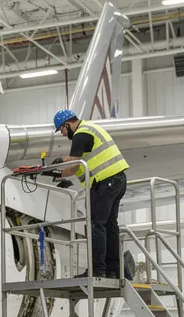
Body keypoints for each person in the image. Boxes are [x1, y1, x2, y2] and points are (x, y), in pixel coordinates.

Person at [52, 109, 130, 279]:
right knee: (109, 226)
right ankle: (113, 270)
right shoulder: (91, 129)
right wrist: (59, 170)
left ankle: (97, 269)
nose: (64, 134)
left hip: (106, 183)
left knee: (96, 225)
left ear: (67, 124)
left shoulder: (81, 134)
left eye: (62, 130)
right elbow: (78, 165)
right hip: (118, 181)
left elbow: (72, 164)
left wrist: (56, 169)